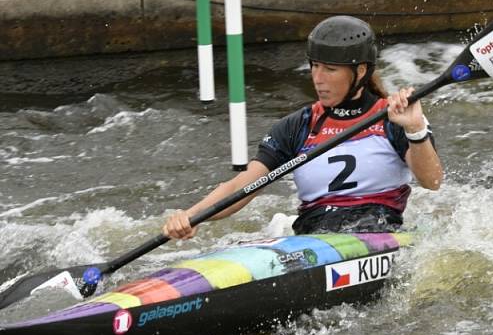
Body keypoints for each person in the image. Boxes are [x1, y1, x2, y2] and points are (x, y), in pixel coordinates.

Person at [162, 15, 443, 239]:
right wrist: (191, 216)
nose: (318, 78)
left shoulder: (394, 117)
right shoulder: (297, 126)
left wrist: (415, 130)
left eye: (330, 70)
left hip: (378, 231)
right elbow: (242, 186)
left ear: (359, 72)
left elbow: (432, 181)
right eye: (314, 66)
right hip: (314, 238)